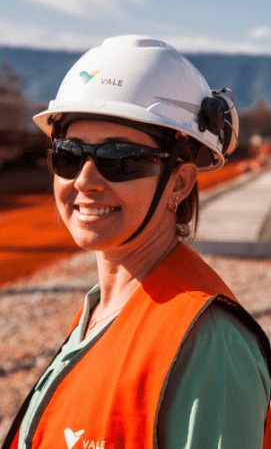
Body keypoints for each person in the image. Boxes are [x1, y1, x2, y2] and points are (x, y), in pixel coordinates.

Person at [3, 35, 271, 449]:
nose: (86, 181)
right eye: (69, 155)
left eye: (119, 160)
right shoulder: (101, 310)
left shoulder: (209, 344)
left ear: (178, 183)